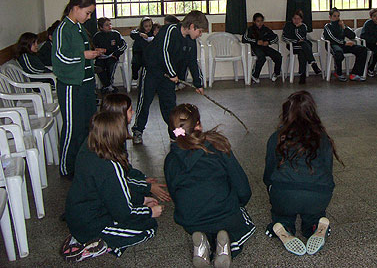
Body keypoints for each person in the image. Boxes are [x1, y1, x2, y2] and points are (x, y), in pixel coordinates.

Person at [62, 111, 162, 262]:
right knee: (149, 228)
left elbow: (113, 193)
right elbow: (124, 213)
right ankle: (95, 245)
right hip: (93, 224)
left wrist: (141, 200)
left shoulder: (88, 148)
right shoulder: (110, 166)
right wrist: (149, 212)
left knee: (135, 212)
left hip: (78, 215)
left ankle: (82, 238)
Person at [164, 103, 254, 268]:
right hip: (223, 212)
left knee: (205, 216)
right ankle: (226, 247)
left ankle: (202, 245)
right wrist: (238, 203)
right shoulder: (218, 146)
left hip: (190, 219)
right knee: (243, 224)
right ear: (198, 125)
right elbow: (241, 186)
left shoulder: (171, 159)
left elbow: (174, 193)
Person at [263, 91, 341, 256]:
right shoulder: (323, 138)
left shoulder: (276, 137)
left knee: (281, 212)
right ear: (313, 112)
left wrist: (273, 190)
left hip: (285, 195)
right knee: (314, 212)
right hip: (318, 196)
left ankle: (283, 225)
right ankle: (316, 225)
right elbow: (328, 171)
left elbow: (268, 174)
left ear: (286, 112)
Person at [132, 10, 207, 144]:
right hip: (152, 72)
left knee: (170, 107)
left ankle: (175, 134)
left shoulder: (191, 41)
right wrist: (172, 73)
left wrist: (198, 83)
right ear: (192, 26)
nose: (200, 34)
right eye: (200, 31)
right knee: (145, 102)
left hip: (168, 77)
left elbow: (192, 62)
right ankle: (138, 130)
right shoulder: (170, 30)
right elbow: (163, 53)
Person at [53, 0, 103, 178]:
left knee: (87, 124)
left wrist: (93, 53)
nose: (89, 17)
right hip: (71, 85)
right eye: (87, 13)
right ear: (75, 8)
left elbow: (80, 53)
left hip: (86, 83)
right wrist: (84, 55)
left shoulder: (79, 27)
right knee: (72, 127)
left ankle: (82, 163)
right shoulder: (63, 29)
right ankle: (67, 167)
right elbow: (60, 57)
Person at [101, 93, 171, 203]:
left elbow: (124, 168)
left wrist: (141, 179)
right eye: (130, 111)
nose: (133, 112)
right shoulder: (107, 145)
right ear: (119, 116)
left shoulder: (111, 135)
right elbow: (118, 181)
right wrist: (147, 187)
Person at [322, 7, 366, 81]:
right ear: (330, 17)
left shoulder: (342, 25)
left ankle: (355, 74)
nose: (337, 18)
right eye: (334, 16)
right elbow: (332, 38)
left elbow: (352, 36)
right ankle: (338, 73)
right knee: (338, 52)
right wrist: (344, 43)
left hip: (343, 45)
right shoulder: (327, 26)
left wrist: (344, 27)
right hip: (332, 45)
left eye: (338, 16)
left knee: (362, 49)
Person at [282, 10, 322, 84]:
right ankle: (313, 64)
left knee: (302, 52)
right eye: (295, 18)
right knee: (304, 46)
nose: (296, 20)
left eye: (298, 19)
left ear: (301, 19)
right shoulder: (288, 26)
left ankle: (302, 75)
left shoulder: (303, 26)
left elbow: (302, 37)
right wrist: (296, 41)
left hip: (303, 46)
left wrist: (298, 28)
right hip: (293, 46)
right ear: (292, 18)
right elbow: (284, 38)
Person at [242, 12, 283, 83]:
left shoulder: (266, 29)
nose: (260, 23)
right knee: (261, 57)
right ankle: (255, 75)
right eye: (258, 21)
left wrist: (268, 42)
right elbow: (244, 39)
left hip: (265, 47)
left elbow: (275, 38)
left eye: (261, 21)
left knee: (278, 56)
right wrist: (256, 41)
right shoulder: (250, 29)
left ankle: (276, 73)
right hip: (255, 48)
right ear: (254, 22)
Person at [93, 17, 127, 94]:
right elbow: (93, 47)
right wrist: (98, 51)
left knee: (110, 66)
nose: (109, 26)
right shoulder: (97, 36)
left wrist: (116, 53)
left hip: (112, 56)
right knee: (99, 67)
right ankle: (108, 85)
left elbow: (124, 45)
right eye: (106, 25)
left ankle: (108, 85)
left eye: (110, 24)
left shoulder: (115, 34)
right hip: (101, 57)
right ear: (101, 27)